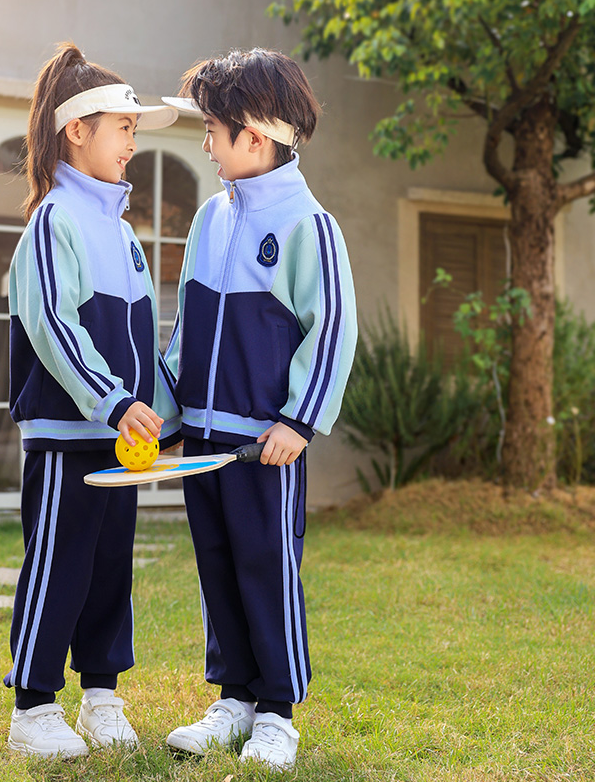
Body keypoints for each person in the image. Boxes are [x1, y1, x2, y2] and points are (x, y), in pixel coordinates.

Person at [161, 48, 358, 770]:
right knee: (217, 565)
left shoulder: (311, 227)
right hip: (204, 443)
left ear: (254, 136)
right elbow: (185, 328)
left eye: (213, 130)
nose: (207, 146)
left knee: (265, 567)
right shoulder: (211, 220)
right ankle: (233, 698)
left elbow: (332, 328)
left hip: (263, 447)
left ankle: (277, 711)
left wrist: (298, 421)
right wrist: (159, 413)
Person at [4, 42, 180, 759]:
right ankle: (33, 707)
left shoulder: (122, 232)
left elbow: (144, 339)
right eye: (124, 129)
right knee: (59, 563)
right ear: (77, 130)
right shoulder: (55, 222)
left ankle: (101, 697)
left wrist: (162, 417)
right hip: (65, 434)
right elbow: (54, 325)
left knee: (110, 566)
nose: (133, 145)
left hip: (117, 441)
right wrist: (110, 401)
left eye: (136, 131)